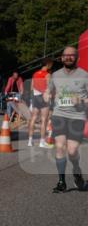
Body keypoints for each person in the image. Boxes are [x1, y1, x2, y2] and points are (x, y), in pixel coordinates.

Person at [44, 46, 87, 193]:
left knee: (72, 150)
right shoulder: (55, 75)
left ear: (77, 58)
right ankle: (61, 181)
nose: (68, 57)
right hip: (59, 115)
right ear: (61, 58)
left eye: (72, 55)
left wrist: (81, 101)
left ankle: (76, 170)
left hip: (77, 116)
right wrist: (47, 94)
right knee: (60, 146)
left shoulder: (84, 75)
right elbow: (49, 90)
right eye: (65, 55)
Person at [30, 59, 53, 148]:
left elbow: (32, 87)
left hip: (35, 97)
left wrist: (32, 99)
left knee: (33, 118)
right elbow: (49, 87)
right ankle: (42, 142)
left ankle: (30, 140)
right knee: (44, 119)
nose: (51, 66)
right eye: (50, 64)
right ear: (47, 64)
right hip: (44, 97)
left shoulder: (35, 73)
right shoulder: (47, 74)